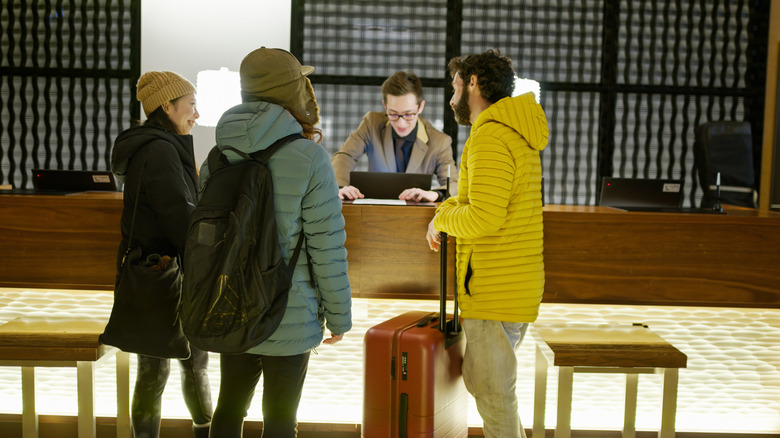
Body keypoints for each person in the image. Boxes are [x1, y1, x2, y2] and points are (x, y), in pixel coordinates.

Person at [200, 47, 352, 438]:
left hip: (231, 305)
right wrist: (339, 316)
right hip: (289, 309)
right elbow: (326, 248)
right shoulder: (309, 157)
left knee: (228, 408)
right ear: (292, 91)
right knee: (281, 419)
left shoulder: (217, 156)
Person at [425, 49, 548, 438]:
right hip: (509, 285)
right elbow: (482, 204)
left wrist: (441, 218)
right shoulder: (512, 130)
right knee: (491, 389)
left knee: (494, 396)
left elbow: (483, 218)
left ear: (474, 84)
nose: (452, 98)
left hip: (495, 289)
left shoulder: (491, 136)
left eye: (455, 87)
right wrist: (448, 207)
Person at [111, 71, 213, 438]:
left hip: (153, 273)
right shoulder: (160, 149)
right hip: (165, 275)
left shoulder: (153, 145)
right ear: (166, 106)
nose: (196, 114)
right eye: (191, 105)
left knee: (165, 368)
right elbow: (179, 217)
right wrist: (210, 262)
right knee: (182, 366)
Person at [331, 70, 458, 201]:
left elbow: (454, 184)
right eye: (393, 114)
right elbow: (345, 156)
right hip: (376, 209)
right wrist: (340, 187)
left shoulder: (439, 141)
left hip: (416, 211)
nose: (401, 123)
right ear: (385, 106)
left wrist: (435, 194)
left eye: (408, 114)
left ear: (421, 107)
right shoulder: (371, 123)